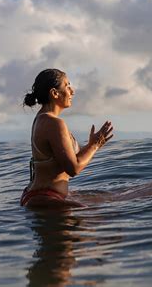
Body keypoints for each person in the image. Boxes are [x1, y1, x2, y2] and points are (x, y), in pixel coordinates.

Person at [21, 68, 114, 207]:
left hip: (37, 195)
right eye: (67, 86)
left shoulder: (41, 119)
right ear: (54, 93)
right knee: (104, 217)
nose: (72, 91)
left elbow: (66, 158)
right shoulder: (54, 123)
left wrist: (91, 145)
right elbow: (73, 168)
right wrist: (94, 146)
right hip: (45, 198)